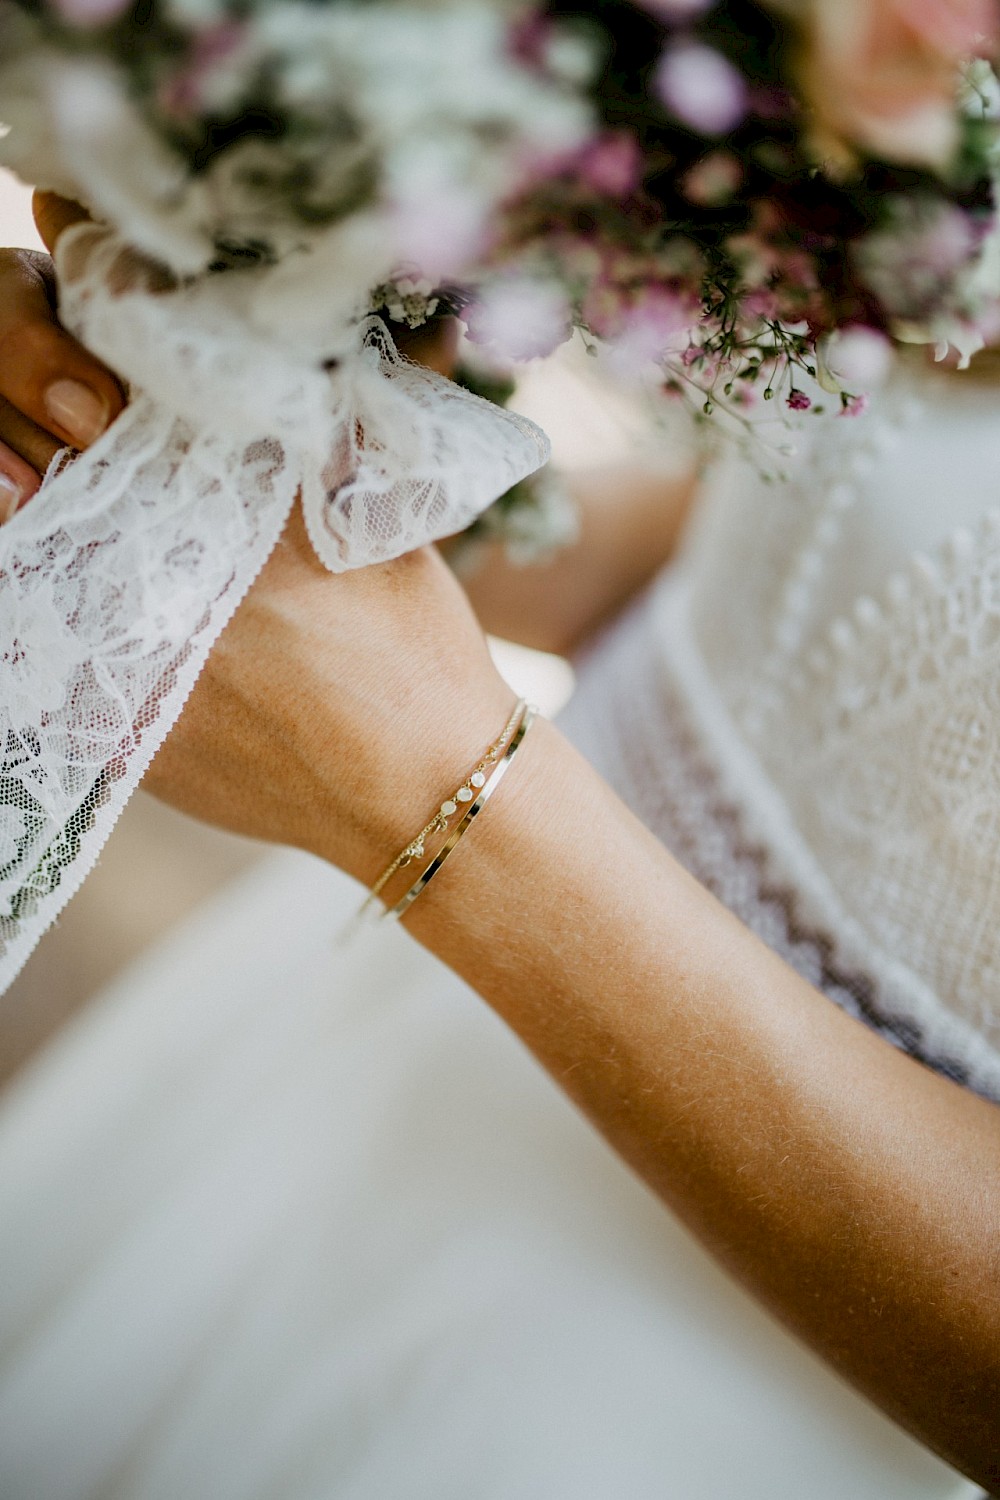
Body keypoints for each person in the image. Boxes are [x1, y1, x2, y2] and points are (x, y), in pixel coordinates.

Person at [0, 195, 997, 1499]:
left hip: (656, 1386)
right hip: (353, 1027)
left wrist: (433, 780)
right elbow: (763, 559)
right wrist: (262, 454)